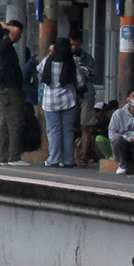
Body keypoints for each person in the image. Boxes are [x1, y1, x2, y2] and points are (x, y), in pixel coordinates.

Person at [39, 38, 84, 168]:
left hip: (50, 101)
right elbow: (80, 82)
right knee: (68, 130)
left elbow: (39, 69)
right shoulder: (73, 61)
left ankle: (53, 159)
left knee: (53, 130)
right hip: (68, 100)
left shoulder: (47, 61)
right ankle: (68, 160)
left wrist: (50, 53)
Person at [0, 21, 26, 165]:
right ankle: (14, 157)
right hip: (11, 89)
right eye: (20, 34)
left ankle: (3, 156)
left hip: (4, 89)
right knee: (15, 123)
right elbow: (15, 30)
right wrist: (6, 26)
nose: (19, 36)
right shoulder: (4, 44)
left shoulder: (1, 48)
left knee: (4, 124)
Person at [69, 29, 98, 165]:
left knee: (86, 125)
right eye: (72, 45)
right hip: (70, 94)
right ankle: (73, 154)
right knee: (70, 125)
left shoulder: (87, 58)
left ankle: (83, 156)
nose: (74, 48)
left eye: (77, 45)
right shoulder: (65, 56)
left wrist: (87, 71)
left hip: (87, 93)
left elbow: (95, 76)